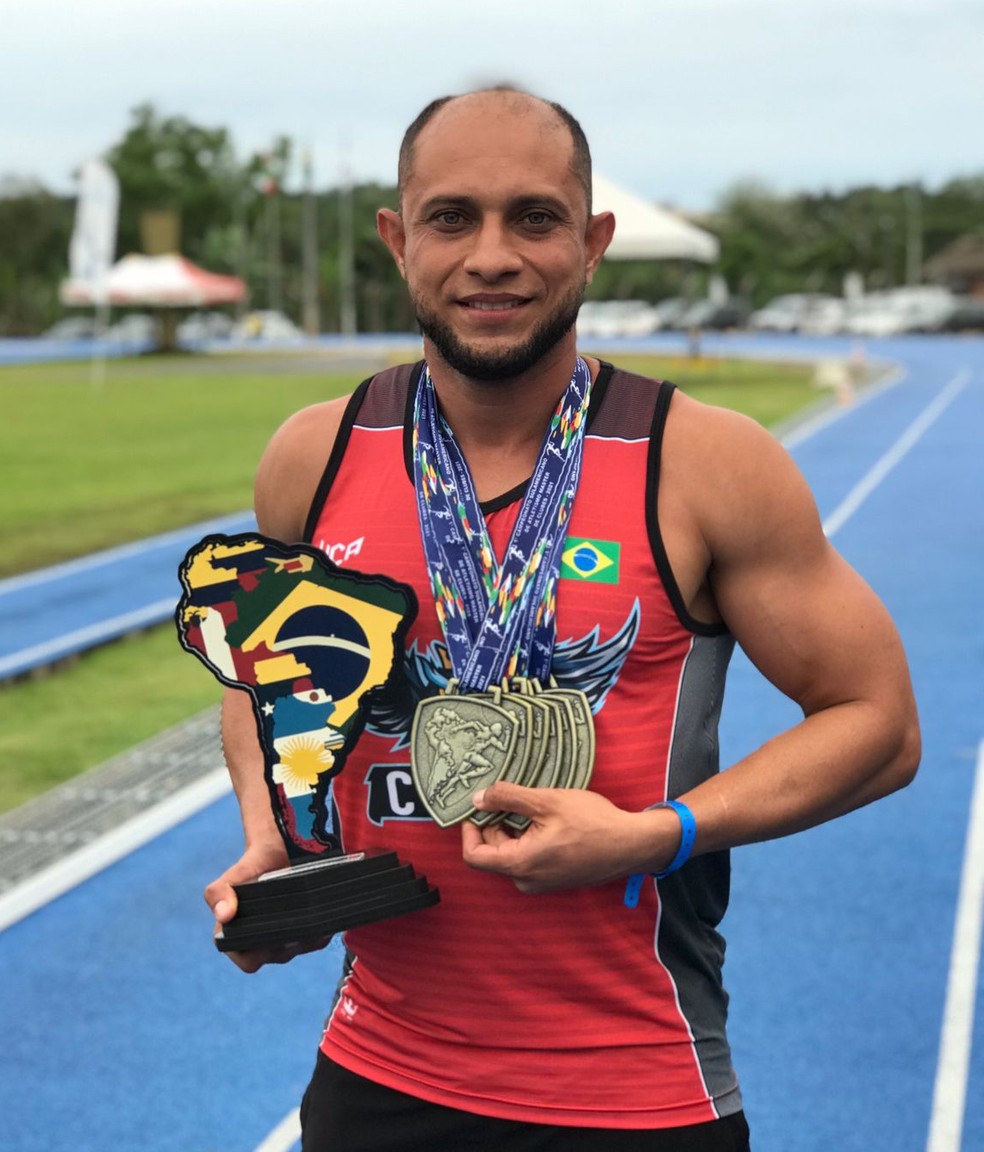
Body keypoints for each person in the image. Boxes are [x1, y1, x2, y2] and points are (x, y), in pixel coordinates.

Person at [205, 86, 920, 1151]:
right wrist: (281, 834)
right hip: (375, 1079)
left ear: (593, 245)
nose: (491, 255)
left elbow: (880, 722)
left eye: (534, 218)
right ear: (399, 242)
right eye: (452, 217)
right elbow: (262, 677)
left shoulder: (701, 464)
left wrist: (658, 834)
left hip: (637, 1092)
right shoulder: (317, 454)